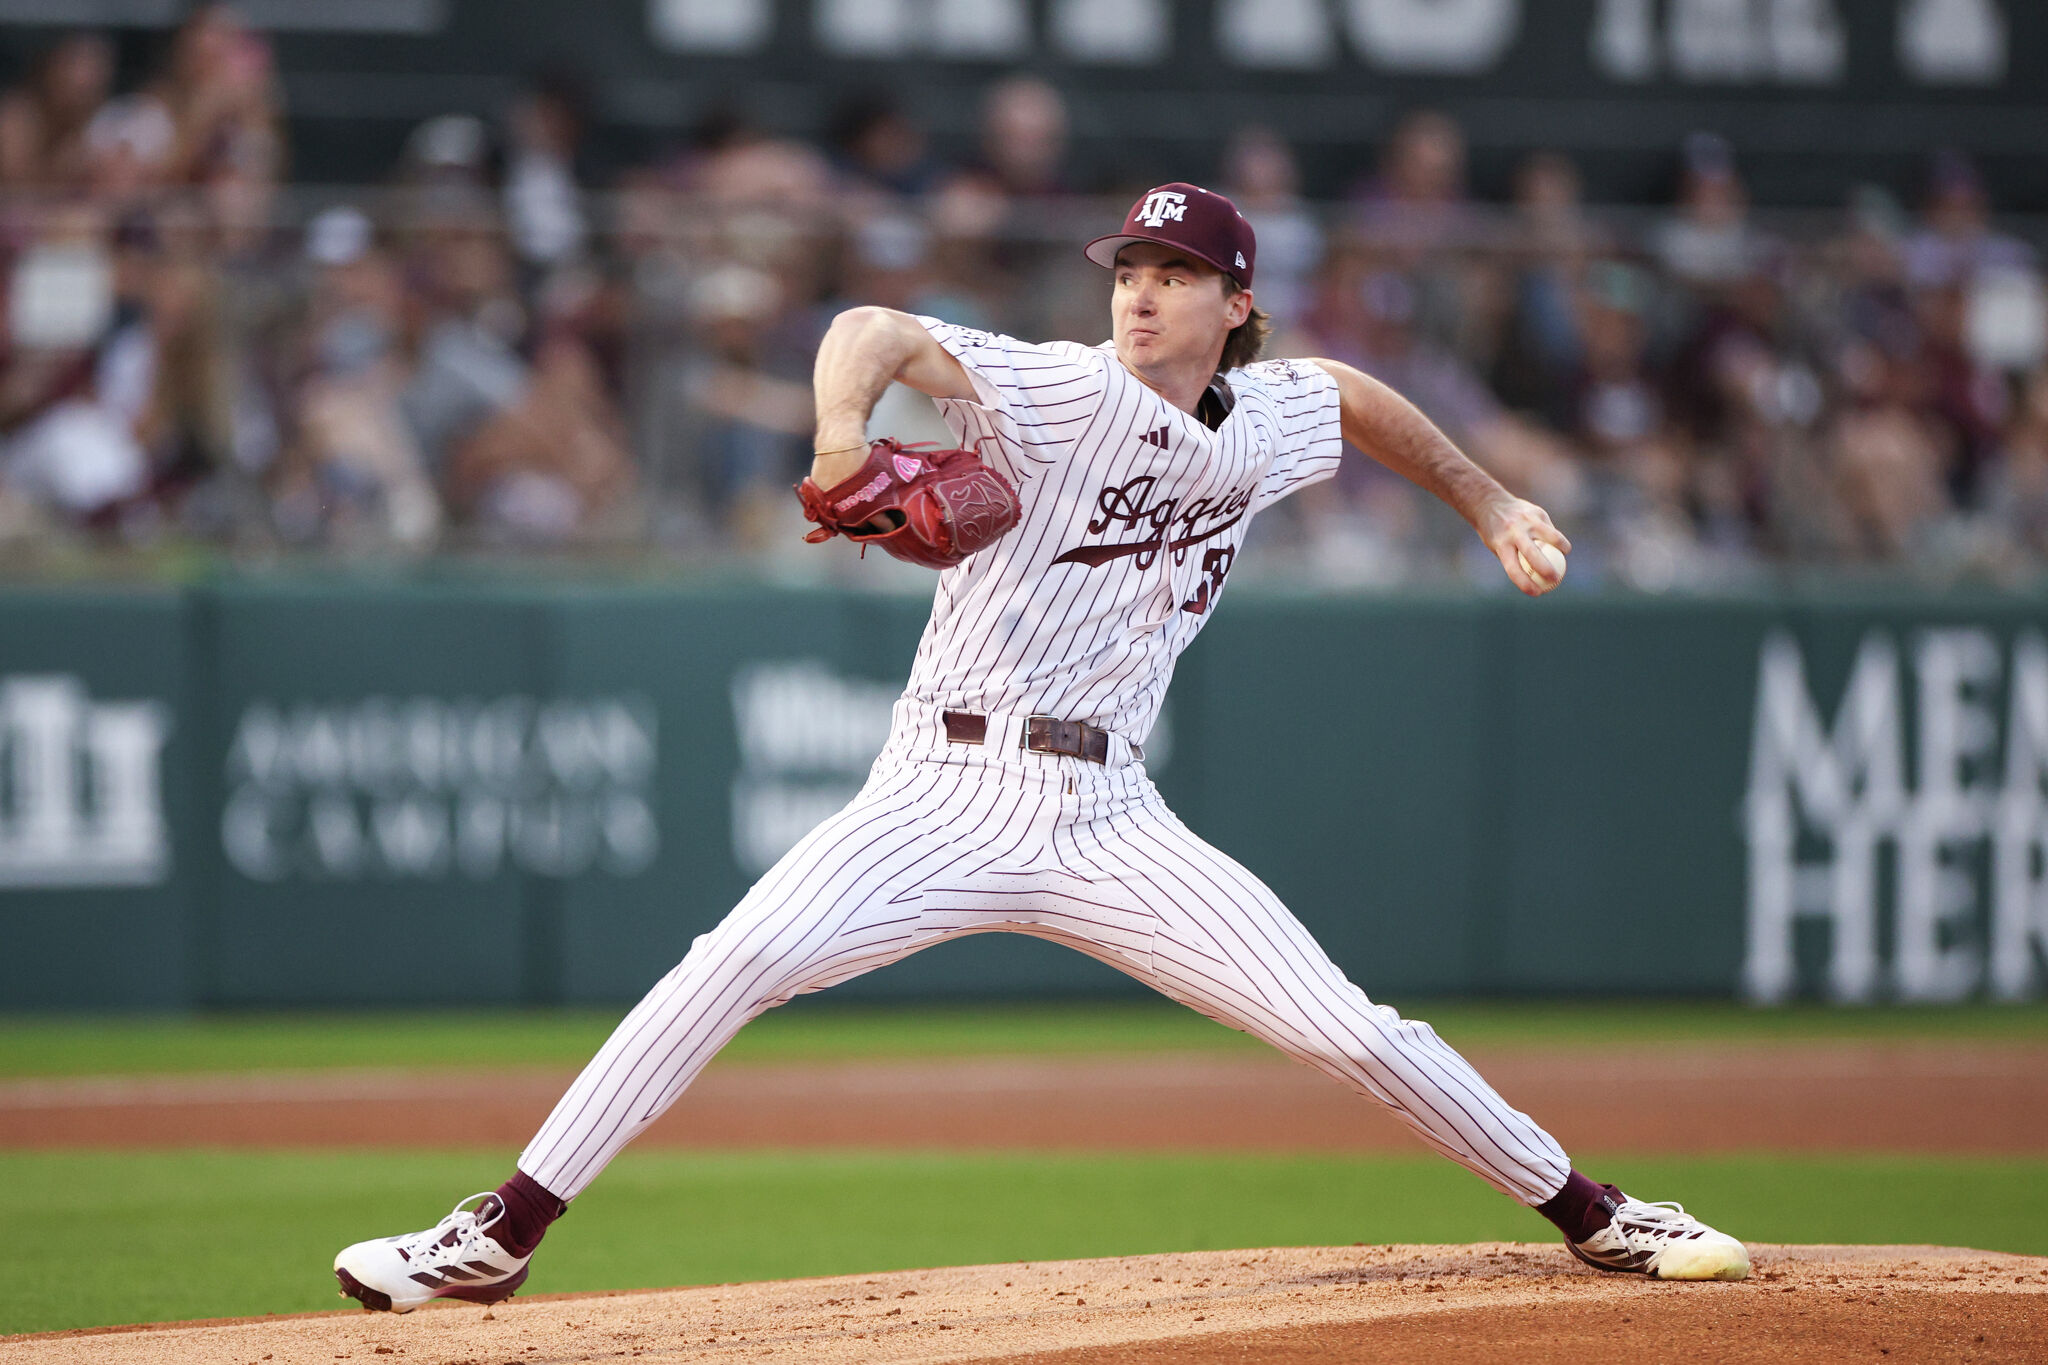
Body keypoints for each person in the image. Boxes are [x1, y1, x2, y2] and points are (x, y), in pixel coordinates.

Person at [333, 182, 1749, 1313]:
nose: (1138, 287)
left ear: (1234, 300)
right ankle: (500, 1230)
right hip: (944, 784)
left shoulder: (1261, 419)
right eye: (1126, 266)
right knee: (737, 961)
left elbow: (1358, 400)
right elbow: (874, 325)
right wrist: (840, 434)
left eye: (1174, 271)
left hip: (1108, 812)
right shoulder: (1060, 386)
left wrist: (1492, 500)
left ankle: (1601, 1214)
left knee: (1346, 1028)